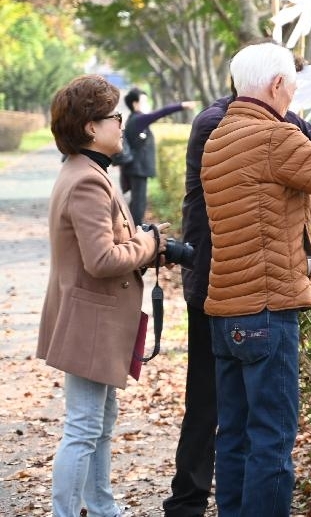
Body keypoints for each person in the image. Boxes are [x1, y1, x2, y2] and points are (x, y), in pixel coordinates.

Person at [163, 61, 311, 517]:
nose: (293, 98)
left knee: (237, 435)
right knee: (272, 440)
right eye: (292, 87)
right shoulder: (275, 136)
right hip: (267, 309)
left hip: (226, 311)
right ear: (277, 83)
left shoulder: (221, 138)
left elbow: (302, 206)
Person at [37, 75, 169, 517]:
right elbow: (101, 259)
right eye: (115, 117)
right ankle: (67, 511)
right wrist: (150, 245)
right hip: (90, 322)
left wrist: (147, 241)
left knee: (99, 423)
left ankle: (101, 505)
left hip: (93, 319)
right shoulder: (88, 180)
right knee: (84, 427)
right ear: (92, 127)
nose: (121, 124)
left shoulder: (86, 170)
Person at [120, 87, 195, 224]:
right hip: (138, 169)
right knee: (139, 204)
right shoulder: (138, 119)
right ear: (135, 104)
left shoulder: (134, 119)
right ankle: (135, 233)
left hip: (136, 168)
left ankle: (132, 230)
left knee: (137, 202)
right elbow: (161, 113)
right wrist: (182, 105)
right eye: (144, 101)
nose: (147, 104)